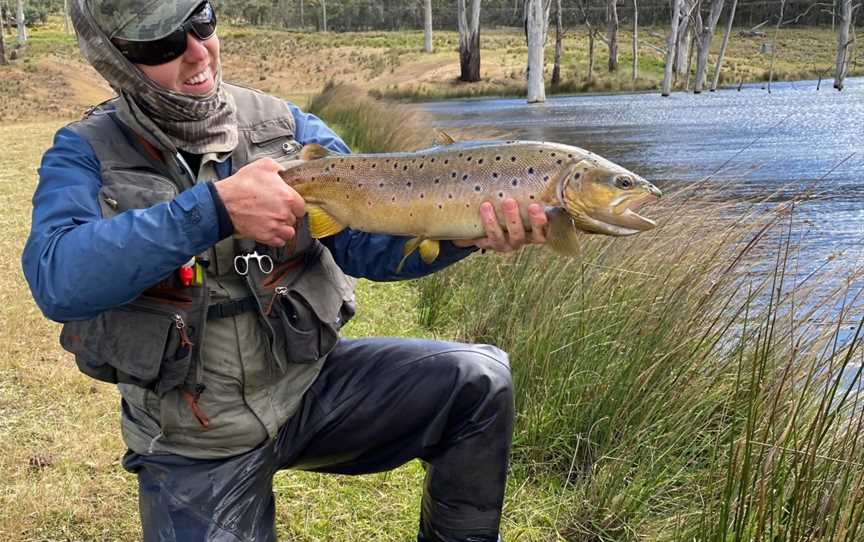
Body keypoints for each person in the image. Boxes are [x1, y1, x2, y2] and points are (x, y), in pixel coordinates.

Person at [21, 2, 548, 541]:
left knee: (480, 381)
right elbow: (58, 280)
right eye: (163, 45)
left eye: (202, 24)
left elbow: (367, 249)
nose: (198, 52)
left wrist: (463, 234)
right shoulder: (85, 152)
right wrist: (214, 211)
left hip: (310, 392)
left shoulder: (287, 127)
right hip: (197, 441)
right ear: (116, 59)